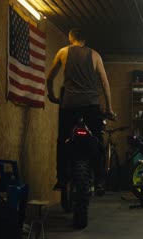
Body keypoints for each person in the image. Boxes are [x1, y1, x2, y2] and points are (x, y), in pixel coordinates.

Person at [46, 28, 115, 197]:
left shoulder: (63, 52)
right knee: (97, 139)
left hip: (69, 105)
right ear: (85, 39)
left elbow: (50, 78)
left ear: (71, 38)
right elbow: (105, 84)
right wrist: (109, 108)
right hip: (91, 105)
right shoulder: (95, 55)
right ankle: (99, 180)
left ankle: (62, 178)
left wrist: (52, 95)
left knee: (63, 139)